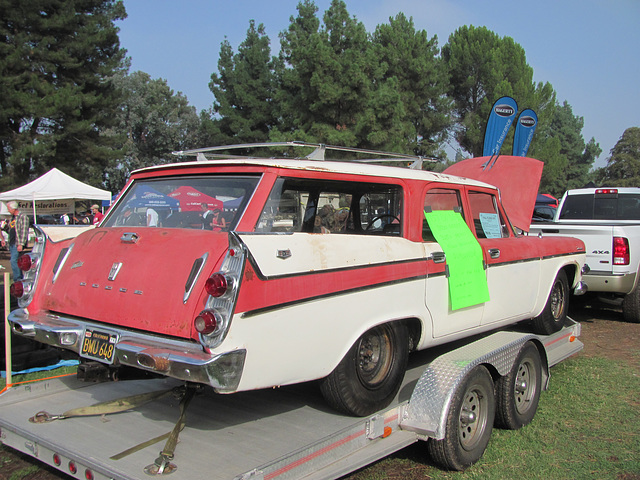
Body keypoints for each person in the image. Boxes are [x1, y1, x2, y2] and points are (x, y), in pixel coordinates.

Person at [1, 201, 30, 280]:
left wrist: (21, 244)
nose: (8, 210)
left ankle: (17, 279)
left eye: (9, 209)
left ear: (13, 209)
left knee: (13, 260)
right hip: (11, 243)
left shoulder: (22, 217)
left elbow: (24, 231)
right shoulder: (12, 218)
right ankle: (20, 278)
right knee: (17, 261)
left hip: (17, 243)